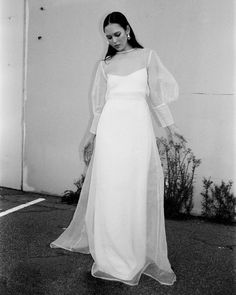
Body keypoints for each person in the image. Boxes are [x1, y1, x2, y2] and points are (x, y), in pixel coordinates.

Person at [50, 11, 185, 286]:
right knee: (111, 189)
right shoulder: (105, 65)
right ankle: (111, 255)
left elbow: (158, 98)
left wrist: (171, 129)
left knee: (132, 190)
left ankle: (132, 252)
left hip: (136, 132)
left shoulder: (147, 56)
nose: (114, 40)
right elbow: (99, 107)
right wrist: (90, 137)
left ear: (127, 29)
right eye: (109, 37)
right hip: (111, 131)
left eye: (117, 34)